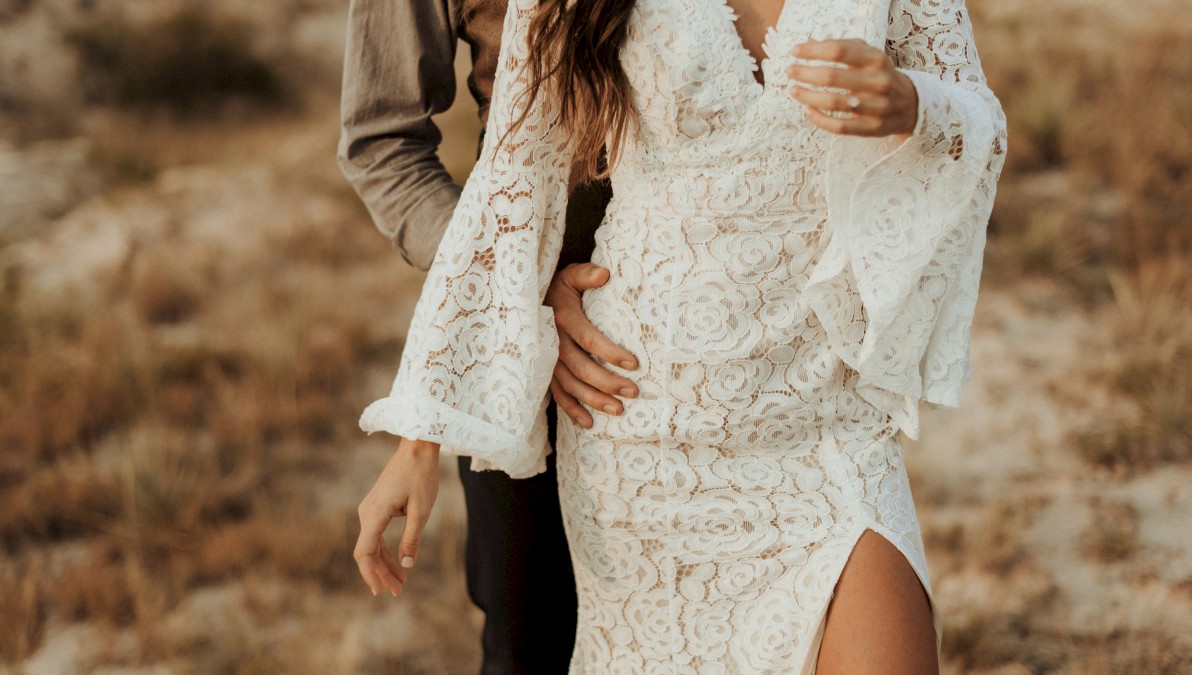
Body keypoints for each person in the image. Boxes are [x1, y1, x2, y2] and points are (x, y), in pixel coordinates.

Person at [352, 0, 1007, 671]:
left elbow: (976, 118)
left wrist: (913, 105)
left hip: (823, 414)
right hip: (635, 412)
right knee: (526, 640)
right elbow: (508, 183)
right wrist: (422, 433)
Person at [336, 0, 639, 671]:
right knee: (532, 623)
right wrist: (515, 287)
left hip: (720, 299)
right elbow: (380, 139)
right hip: (521, 294)